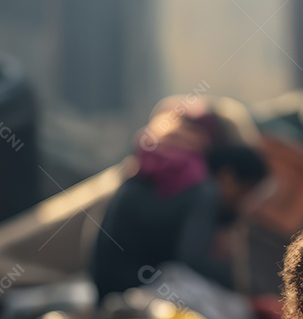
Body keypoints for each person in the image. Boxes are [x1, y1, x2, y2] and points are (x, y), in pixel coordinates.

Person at [89, 101, 269, 302]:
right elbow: (193, 260)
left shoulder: (143, 168)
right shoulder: (200, 188)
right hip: (136, 294)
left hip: (106, 289)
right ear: (228, 174)